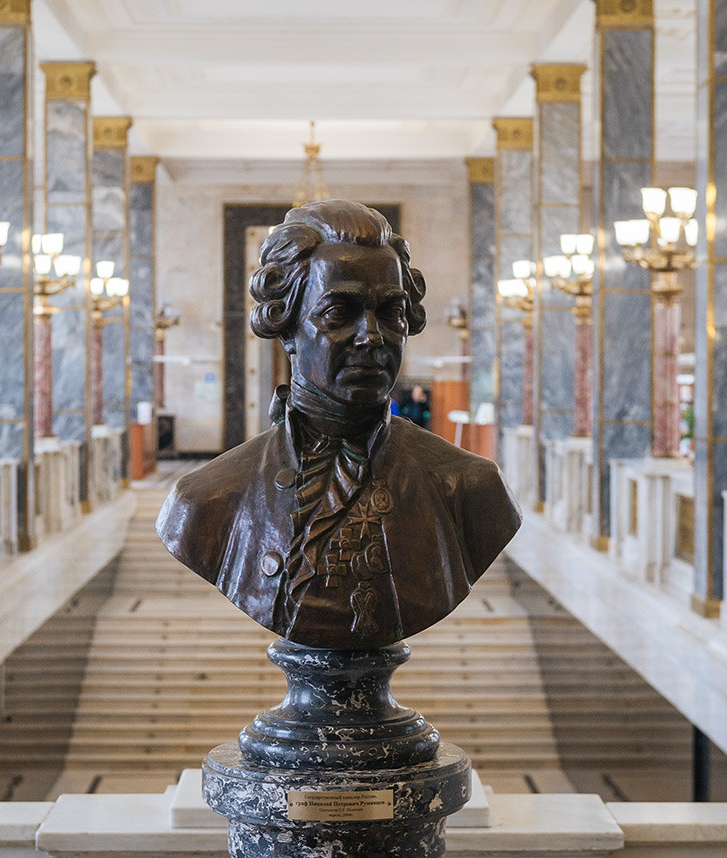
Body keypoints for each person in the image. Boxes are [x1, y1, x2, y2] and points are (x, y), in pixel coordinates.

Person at [157, 200, 521, 649]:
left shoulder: (470, 487)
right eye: (338, 313)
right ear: (286, 327)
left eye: (390, 313)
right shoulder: (205, 501)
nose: (371, 336)